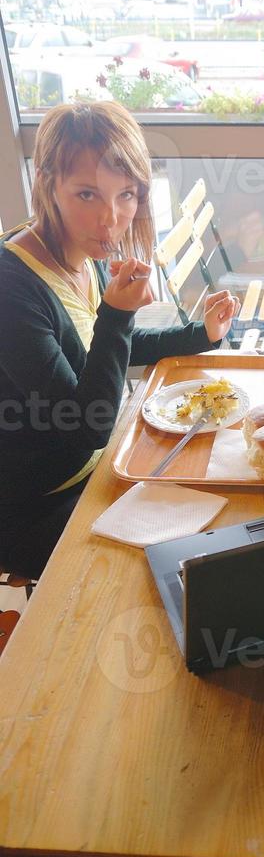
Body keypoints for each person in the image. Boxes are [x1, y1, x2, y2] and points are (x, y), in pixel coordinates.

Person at [0, 100, 240, 580]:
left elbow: (103, 352)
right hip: (35, 505)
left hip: (101, 470)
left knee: (227, 503)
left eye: (126, 195)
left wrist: (201, 333)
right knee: (179, 569)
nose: (109, 219)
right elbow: (86, 424)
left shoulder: (75, 251)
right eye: (86, 195)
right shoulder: (13, 288)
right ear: (47, 183)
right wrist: (116, 313)